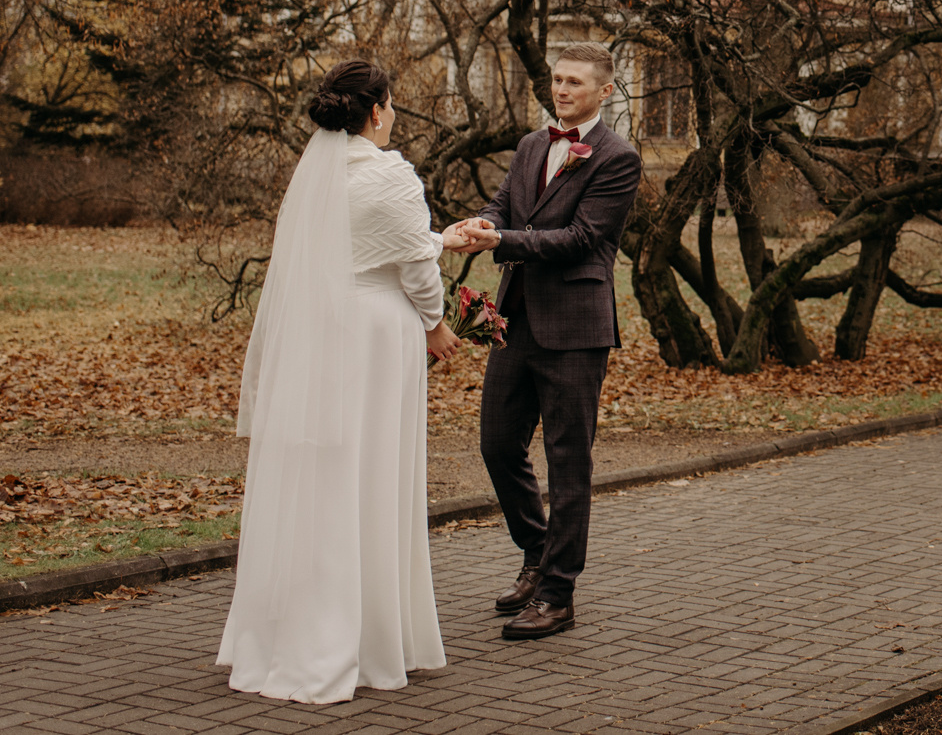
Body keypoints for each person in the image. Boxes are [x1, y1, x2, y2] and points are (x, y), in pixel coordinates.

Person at [219, 59, 460, 705]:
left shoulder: (317, 178)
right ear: (377, 110)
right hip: (378, 340)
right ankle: (369, 638)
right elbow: (411, 267)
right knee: (372, 477)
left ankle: (286, 632)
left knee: (321, 479)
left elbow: (369, 245)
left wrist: (444, 239)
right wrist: (437, 325)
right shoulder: (392, 175)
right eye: (393, 105)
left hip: (322, 335)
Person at [442, 41, 641, 640]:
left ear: (605, 91)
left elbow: (581, 239)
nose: (562, 90)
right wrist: (480, 223)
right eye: (557, 79)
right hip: (516, 321)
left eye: (575, 82)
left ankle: (558, 594)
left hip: (577, 329)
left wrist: (500, 240)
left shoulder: (618, 157)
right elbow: (505, 206)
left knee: (567, 462)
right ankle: (536, 552)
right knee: (498, 445)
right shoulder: (533, 144)